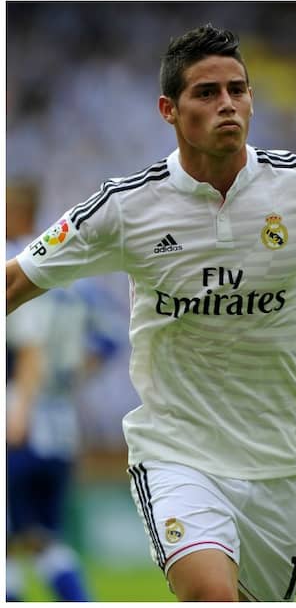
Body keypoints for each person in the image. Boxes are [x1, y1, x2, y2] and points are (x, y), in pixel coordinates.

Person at [6, 24, 296, 602]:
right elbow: (16, 280)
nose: (228, 104)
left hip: (279, 461)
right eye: (207, 92)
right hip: (177, 451)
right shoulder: (125, 207)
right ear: (168, 110)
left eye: (237, 90)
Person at [6, 181, 120, 602]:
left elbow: (30, 349)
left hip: (17, 413)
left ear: (16, 213)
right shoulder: (72, 278)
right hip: (59, 418)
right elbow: (108, 340)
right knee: (43, 537)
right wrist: (69, 374)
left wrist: (21, 403)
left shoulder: (13, 267)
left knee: (9, 538)